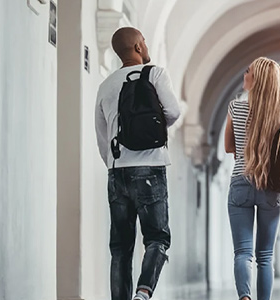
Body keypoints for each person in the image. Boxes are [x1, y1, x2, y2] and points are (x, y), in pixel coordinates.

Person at [94, 27, 181, 300]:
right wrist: (151, 133)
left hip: (117, 171)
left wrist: (115, 163)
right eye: (143, 40)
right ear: (138, 48)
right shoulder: (155, 74)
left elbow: (102, 136)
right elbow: (174, 112)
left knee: (120, 247)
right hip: (150, 168)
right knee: (157, 238)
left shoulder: (105, 85)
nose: (146, 44)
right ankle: (143, 292)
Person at [223, 57, 280, 300]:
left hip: (241, 182)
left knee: (243, 253)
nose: (244, 74)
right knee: (266, 256)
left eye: (248, 71)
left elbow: (229, 147)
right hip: (271, 186)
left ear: (256, 80)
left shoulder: (235, 107)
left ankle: (244, 297)